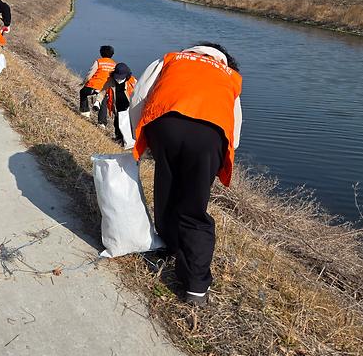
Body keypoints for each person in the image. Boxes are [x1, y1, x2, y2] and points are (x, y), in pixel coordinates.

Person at [129, 43, 242, 306]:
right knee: (193, 207)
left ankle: (169, 245)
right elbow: (234, 129)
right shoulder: (228, 75)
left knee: (166, 189)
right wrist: (215, 160)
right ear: (222, 59)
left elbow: (139, 96)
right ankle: (195, 287)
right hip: (208, 137)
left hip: (165, 126)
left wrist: (139, 138)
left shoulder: (169, 60)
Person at [79, 45, 116, 126]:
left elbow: (90, 74)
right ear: (112, 54)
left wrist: (84, 82)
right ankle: (102, 123)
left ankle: (85, 112)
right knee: (103, 102)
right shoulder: (114, 65)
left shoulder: (98, 61)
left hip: (93, 86)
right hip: (104, 89)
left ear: (101, 53)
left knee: (83, 92)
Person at [106, 63, 136, 149]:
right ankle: (119, 139)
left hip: (128, 107)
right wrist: (97, 101)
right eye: (117, 76)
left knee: (127, 124)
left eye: (121, 77)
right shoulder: (110, 80)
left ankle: (128, 141)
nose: (119, 79)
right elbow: (103, 91)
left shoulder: (132, 81)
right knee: (117, 123)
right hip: (116, 106)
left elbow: (138, 92)